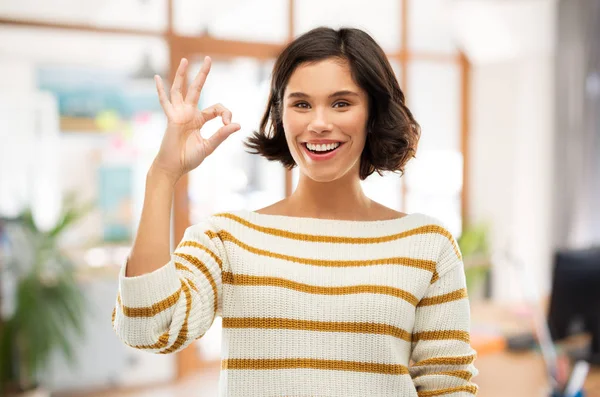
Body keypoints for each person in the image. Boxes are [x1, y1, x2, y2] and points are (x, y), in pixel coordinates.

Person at [112, 27, 479, 397]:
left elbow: (448, 386)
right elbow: (148, 328)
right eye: (301, 104)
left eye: (341, 103)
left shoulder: (427, 245)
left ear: (372, 114)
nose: (318, 123)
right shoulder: (226, 239)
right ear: (281, 115)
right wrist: (162, 175)